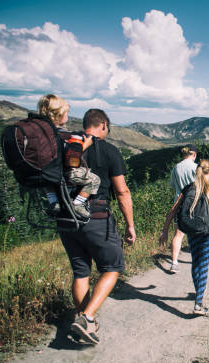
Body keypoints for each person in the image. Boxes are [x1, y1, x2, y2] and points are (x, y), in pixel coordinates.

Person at [59, 108, 136, 345]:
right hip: (96, 216)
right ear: (103, 125)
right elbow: (121, 191)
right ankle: (87, 317)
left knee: (81, 272)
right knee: (112, 267)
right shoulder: (110, 151)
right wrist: (130, 225)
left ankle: (84, 321)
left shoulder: (67, 146)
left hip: (66, 218)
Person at [159, 159, 209, 315]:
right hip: (207, 233)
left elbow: (173, 211)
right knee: (203, 266)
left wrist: (164, 231)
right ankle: (198, 303)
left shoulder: (188, 188)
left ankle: (198, 294)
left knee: (196, 263)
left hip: (191, 231)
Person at [37, 94, 101, 218]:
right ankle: (77, 204)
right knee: (95, 180)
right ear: (59, 114)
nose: (68, 115)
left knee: (46, 180)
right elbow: (71, 157)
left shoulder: (41, 133)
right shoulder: (64, 135)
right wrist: (85, 145)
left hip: (44, 172)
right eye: (66, 113)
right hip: (63, 173)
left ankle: (53, 201)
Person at [168, 145, 198, 273]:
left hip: (179, 203)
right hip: (194, 203)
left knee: (178, 234)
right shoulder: (196, 167)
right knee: (196, 232)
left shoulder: (176, 167)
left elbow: (173, 186)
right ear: (194, 155)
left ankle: (174, 262)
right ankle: (197, 259)